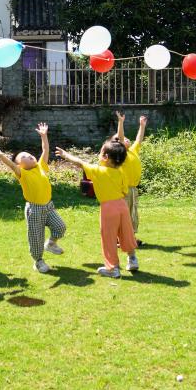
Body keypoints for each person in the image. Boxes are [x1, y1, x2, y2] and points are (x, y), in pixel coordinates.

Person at [0, 123, 66, 273]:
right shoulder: (22, 174)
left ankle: (51, 243)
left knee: (60, 227)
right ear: (21, 165)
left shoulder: (40, 166)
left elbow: (45, 150)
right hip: (34, 210)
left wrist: (44, 136)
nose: (29, 156)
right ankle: (38, 261)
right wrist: (1, 156)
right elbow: (12, 166)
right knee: (36, 237)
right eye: (23, 157)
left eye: (28, 154)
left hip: (48, 206)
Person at [56, 140, 137, 277]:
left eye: (100, 152)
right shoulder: (121, 171)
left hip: (108, 208)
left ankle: (112, 268)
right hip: (122, 205)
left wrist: (65, 155)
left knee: (109, 238)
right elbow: (124, 191)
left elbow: (80, 163)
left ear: (106, 157)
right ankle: (132, 259)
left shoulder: (98, 170)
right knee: (126, 233)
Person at [115, 113, 148, 252]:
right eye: (124, 139)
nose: (127, 139)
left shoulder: (133, 151)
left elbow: (139, 139)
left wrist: (142, 126)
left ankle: (130, 238)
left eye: (128, 139)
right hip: (125, 189)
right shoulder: (122, 153)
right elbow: (120, 136)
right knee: (124, 215)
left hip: (133, 189)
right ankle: (119, 240)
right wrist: (121, 122)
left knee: (133, 215)